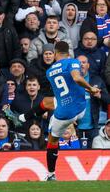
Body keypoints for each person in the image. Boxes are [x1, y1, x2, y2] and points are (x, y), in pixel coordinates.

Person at [6, 41, 100, 181]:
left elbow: (75, 78)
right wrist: (91, 88)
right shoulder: (73, 62)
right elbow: (76, 79)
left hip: (65, 114)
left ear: (55, 54)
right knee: (47, 102)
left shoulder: (50, 71)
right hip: (80, 106)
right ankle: (22, 118)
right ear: (68, 53)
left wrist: (90, 88)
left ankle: (51, 174)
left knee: (52, 139)